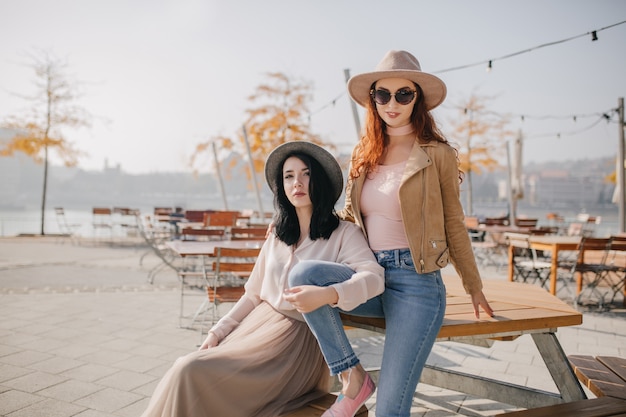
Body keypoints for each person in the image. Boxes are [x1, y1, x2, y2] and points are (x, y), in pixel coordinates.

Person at [288, 50, 495, 417]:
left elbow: (453, 222)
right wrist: (300, 214)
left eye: (404, 94)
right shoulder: (363, 153)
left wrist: (473, 285)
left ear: (418, 98)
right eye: (382, 94)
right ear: (373, 100)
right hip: (370, 275)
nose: (392, 103)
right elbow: (350, 218)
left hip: (417, 284)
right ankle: (352, 376)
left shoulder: (438, 154)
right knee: (304, 275)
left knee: (389, 410)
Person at [140, 141, 384, 417]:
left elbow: (374, 278)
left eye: (306, 174)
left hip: (292, 347)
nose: (297, 183)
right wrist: (217, 331)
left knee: (191, 371)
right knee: (185, 367)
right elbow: (253, 294)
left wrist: (331, 294)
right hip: (254, 331)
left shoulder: (343, 233)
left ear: (320, 181)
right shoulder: (278, 235)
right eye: (289, 176)